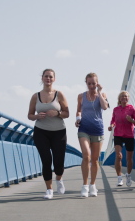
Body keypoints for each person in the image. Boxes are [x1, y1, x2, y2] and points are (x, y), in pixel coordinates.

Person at [28, 69, 69, 199]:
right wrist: (36, 116)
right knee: (46, 160)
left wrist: (57, 113)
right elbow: (29, 115)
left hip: (59, 132)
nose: (48, 79)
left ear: (54, 79)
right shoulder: (36, 96)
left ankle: (59, 179)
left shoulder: (59, 94)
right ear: (42, 78)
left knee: (58, 162)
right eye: (46, 76)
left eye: (50, 77)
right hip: (41, 132)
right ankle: (49, 189)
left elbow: (66, 113)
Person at [76, 72, 109, 197]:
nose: (91, 86)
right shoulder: (81, 96)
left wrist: (99, 93)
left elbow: (105, 107)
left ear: (97, 83)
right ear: (86, 83)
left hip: (98, 129)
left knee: (95, 159)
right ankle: (85, 185)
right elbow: (78, 110)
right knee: (86, 156)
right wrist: (78, 118)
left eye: (94, 83)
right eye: (89, 83)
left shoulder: (102, 95)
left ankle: (93, 185)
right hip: (84, 128)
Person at [108, 91, 135, 187]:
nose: (124, 98)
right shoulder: (116, 109)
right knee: (118, 155)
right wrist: (111, 125)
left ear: (128, 98)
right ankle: (119, 178)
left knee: (129, 158)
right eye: (122, 96)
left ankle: (128, 175)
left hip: (129, 135)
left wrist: (132, 120)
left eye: (126, 96)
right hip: (118, 134)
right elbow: (113, 120)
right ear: (119, 99)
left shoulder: (132, 109)